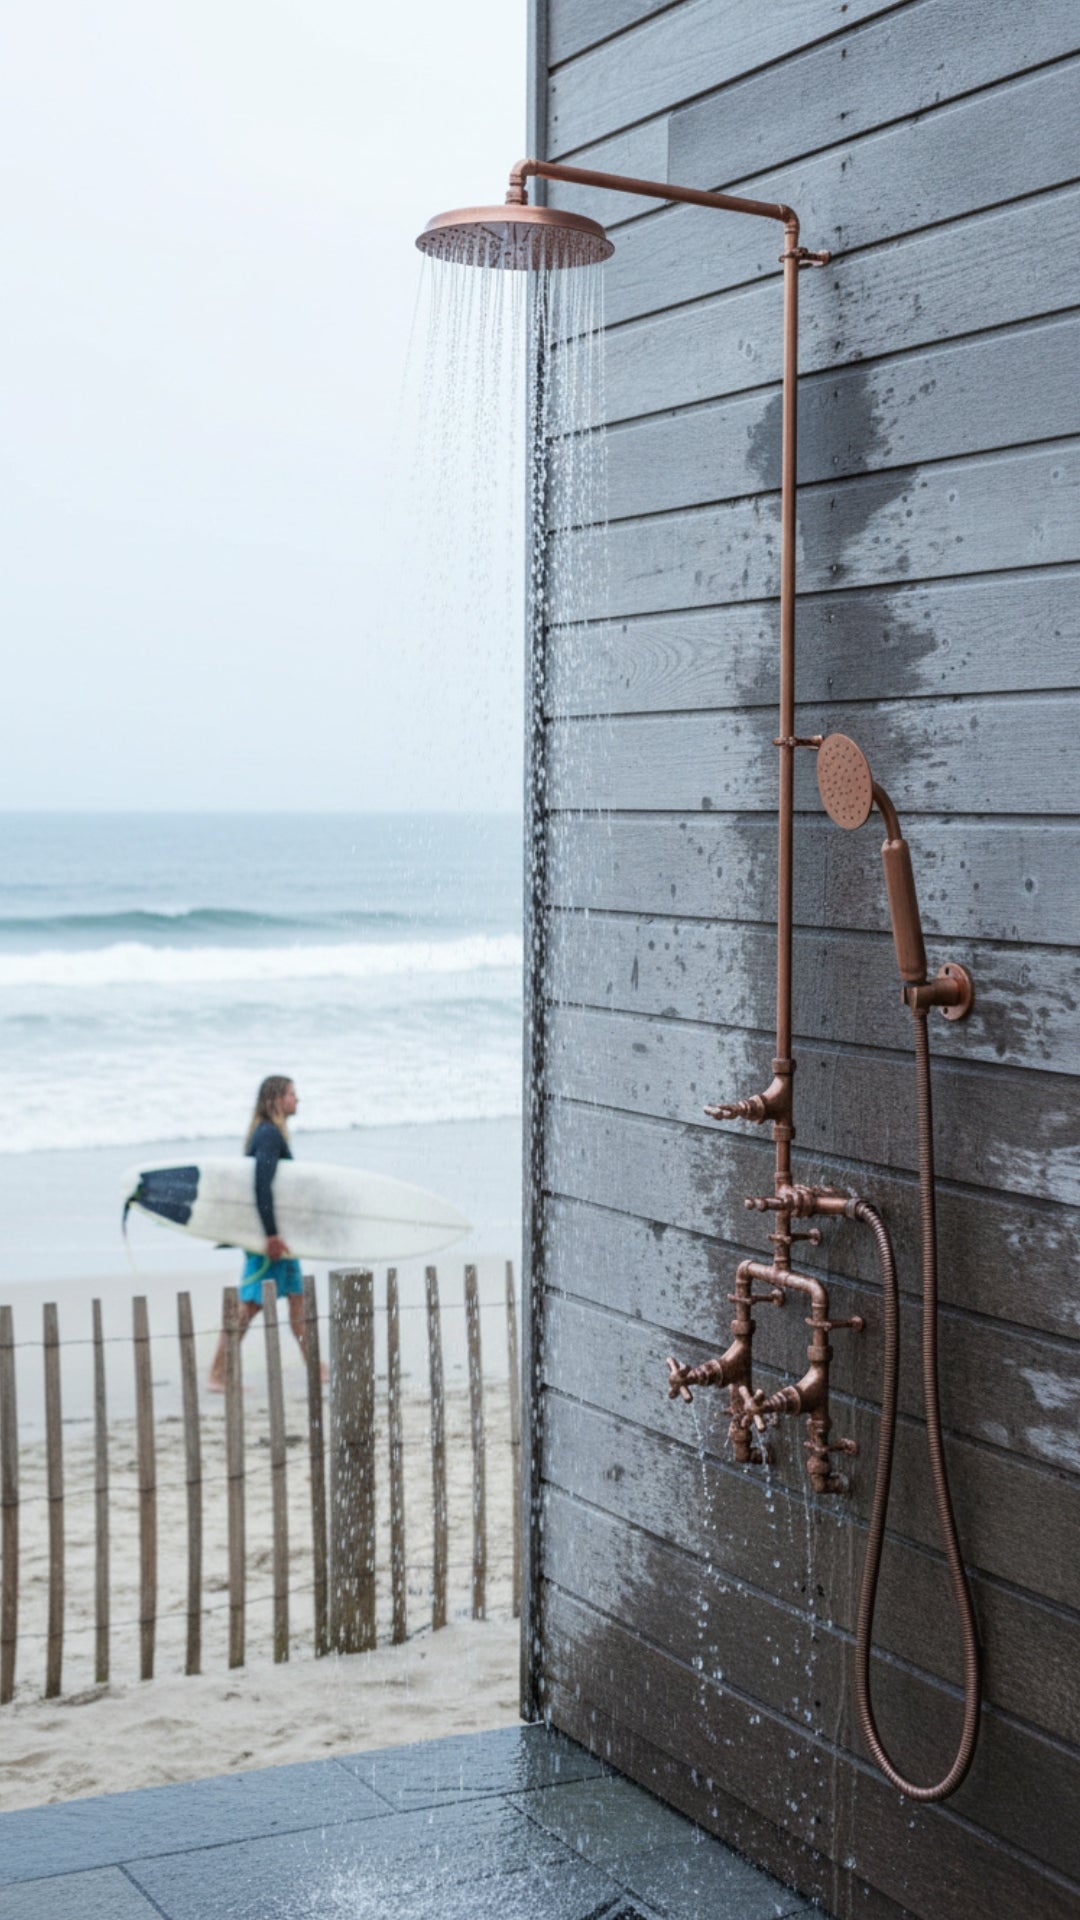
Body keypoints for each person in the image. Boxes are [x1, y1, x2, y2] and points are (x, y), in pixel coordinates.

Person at [207, 1074, 326, 1390]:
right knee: (249, 1306)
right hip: (270, 1239)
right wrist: (271, 1235)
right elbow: (261, 1185)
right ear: (275, 1099)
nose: (296, 1099)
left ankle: (317, 1367)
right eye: (291, 1093)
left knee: (298, 1301)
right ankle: (217, 1373)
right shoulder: (269, 1135)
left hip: (279, 1237)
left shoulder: (269, 1134)